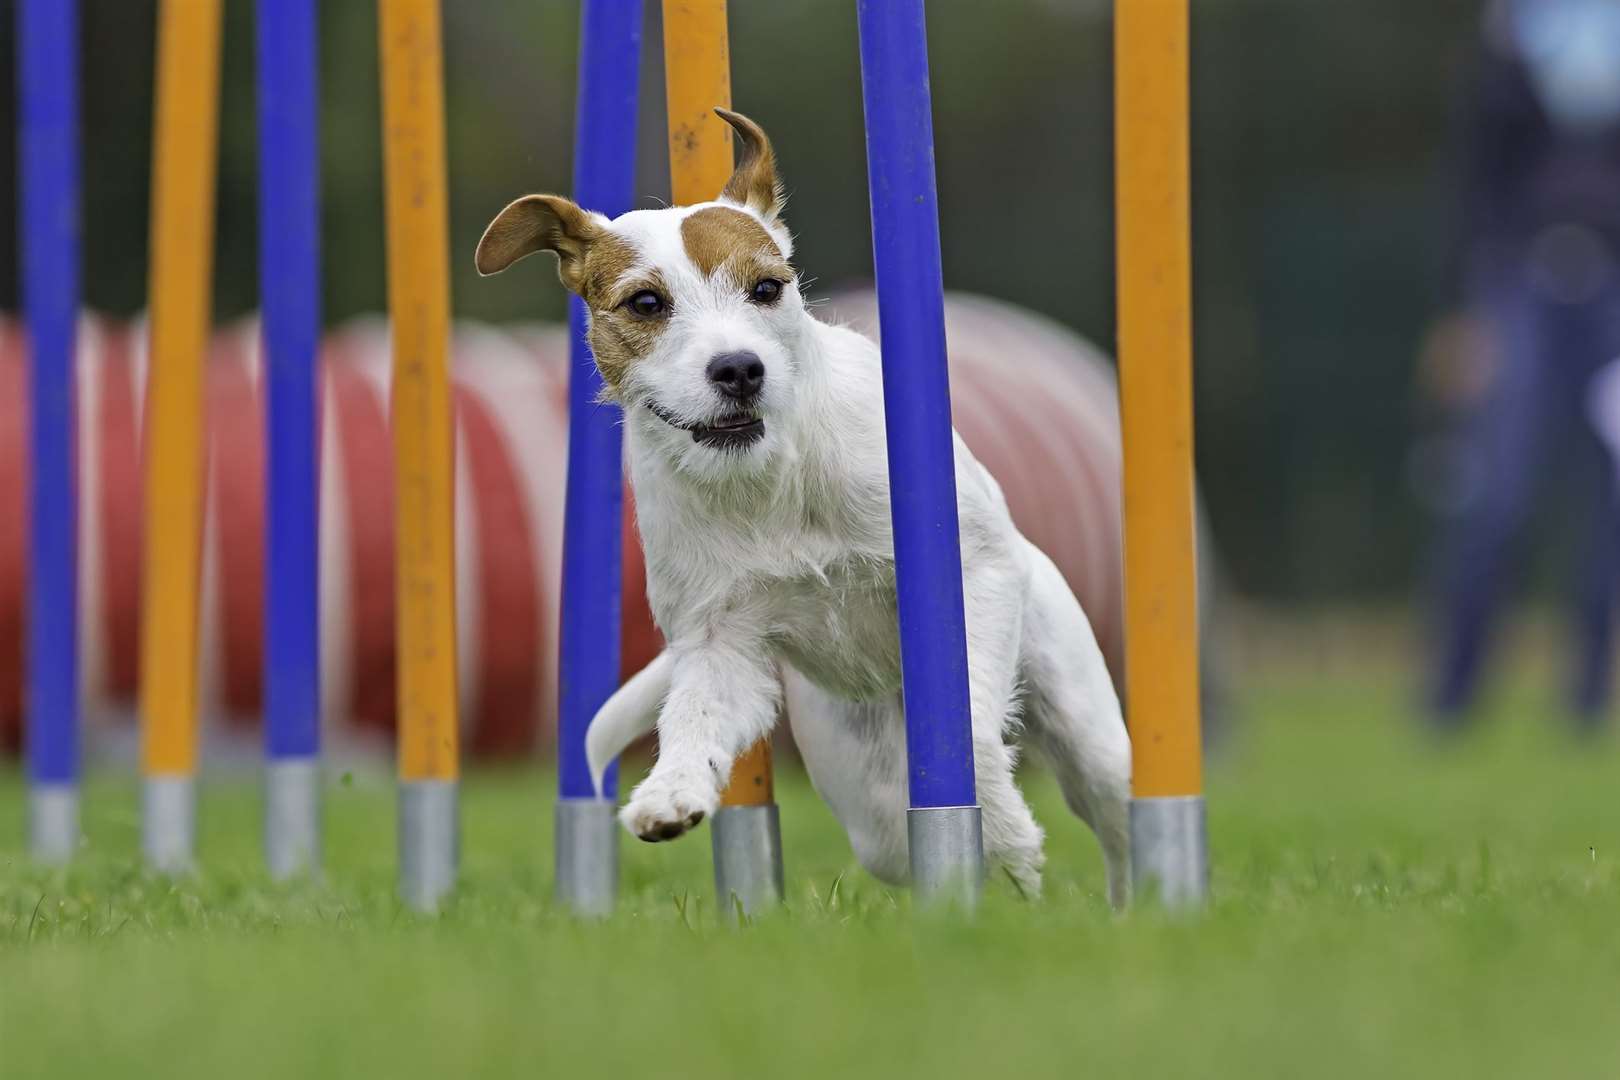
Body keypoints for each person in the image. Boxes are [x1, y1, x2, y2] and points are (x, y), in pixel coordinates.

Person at [1427, 0, 1620, 727]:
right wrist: (1458, 310)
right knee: (1494, 495)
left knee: (1610, 503)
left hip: (1614, 289)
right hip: (1516, 281)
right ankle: (1452, 697)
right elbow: (1471, 172)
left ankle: (1589, 702)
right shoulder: (1509, 31)